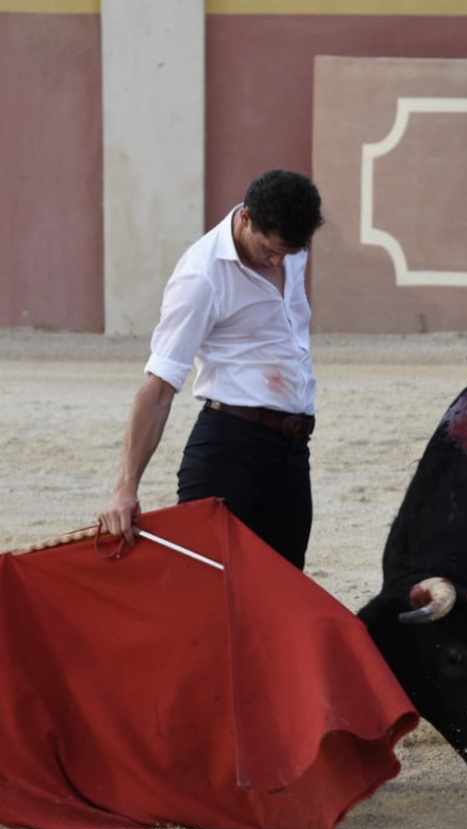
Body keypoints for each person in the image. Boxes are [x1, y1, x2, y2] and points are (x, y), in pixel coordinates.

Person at [98, 169, 325, 570]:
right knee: (212, 598)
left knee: (285, 591)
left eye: (288, 253)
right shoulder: (201, 277)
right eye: (270, 250)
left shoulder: (290, 249)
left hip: (292, 452)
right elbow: (159, 389)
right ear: (246, 218)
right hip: (229, 455)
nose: (278, 261)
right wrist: (124, 489)